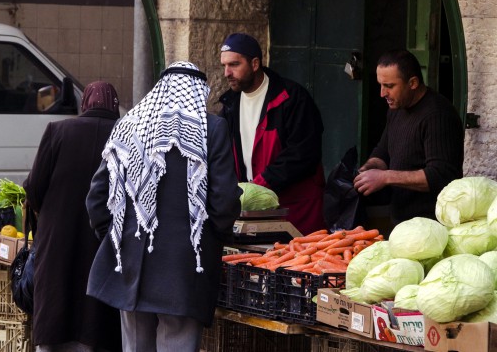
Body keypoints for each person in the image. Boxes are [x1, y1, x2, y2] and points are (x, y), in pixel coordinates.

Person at [85, 61, 241, 352]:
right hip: (183, 270)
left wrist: (117, 237)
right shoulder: (212, 129)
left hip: (130, 264)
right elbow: (225, 200)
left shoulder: (128, 124)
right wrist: (213, 239)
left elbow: (97, 197)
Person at [23, 81, 123, 352]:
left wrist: (50, 212)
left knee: (57, 295)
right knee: (96, 307)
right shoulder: (126, 135)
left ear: (85, 103)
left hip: (58, 235)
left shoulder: (59, 130)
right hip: (105, 237)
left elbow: (34, 187)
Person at [218, 32, 326, 235]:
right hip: (255, 211)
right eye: (224, 65)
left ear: (255, 63)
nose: (226, 73)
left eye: (234, 65)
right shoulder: (229, 105)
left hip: (295, 209)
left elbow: (303, 154)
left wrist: (258, 186)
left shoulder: (293, 98)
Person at [353, 49, 464, 224]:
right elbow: (383, 151)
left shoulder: (438, 115)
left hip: (431, 225)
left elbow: (441, 175)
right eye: (380, 85)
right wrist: (367, 171)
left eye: (389, 86)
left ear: (412, 82)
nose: (382, 94)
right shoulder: (397, 108)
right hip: (401, 221)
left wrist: (385, 177)